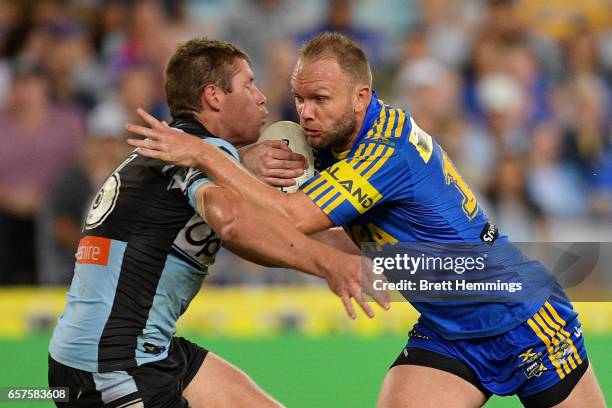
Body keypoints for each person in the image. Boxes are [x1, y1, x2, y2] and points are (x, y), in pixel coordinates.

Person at [126, 33, 606, 407]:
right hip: (447, 329)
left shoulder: (385, 149)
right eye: (300, 99)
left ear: (361, 96)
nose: (306, 114)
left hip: (519, 317)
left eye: (321, 100)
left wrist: (206, 157)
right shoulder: (333, 142)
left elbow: (293, 217)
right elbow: (339, 241)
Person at [48, 38, 386, 408]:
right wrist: (329, 265)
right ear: (213, 97)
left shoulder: (177, 151)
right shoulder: (197, 150)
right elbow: (231, 222)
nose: (261, 97)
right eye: (248, 84)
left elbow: (266, 236)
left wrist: (416, 255)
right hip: (114, 366)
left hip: (128, 351)